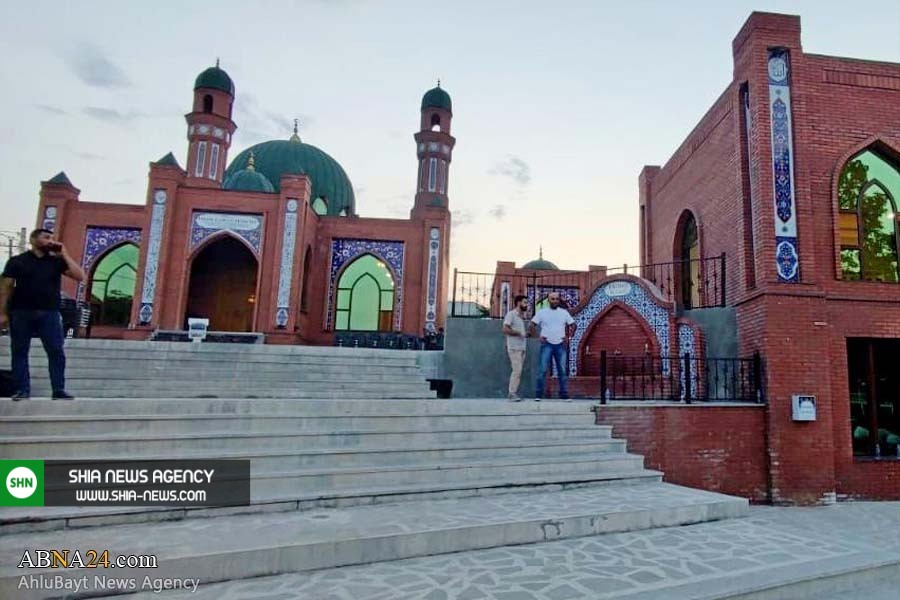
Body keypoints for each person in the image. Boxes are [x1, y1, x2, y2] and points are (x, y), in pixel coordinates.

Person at [0, 229, 85, 400]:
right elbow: (5, 288)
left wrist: (65, 255)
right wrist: (2, 313)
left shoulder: (55, 261)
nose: (50, 241)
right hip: (21, 312)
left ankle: (58, 389)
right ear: (33, 240)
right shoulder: (18, 261)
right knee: (20, 352)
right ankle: (22, 390)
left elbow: (80, 276)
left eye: (52, 238)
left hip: (49, 313)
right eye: (46, 237)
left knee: (56, 351)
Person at [530, 292, 575, 401]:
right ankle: (538, 395)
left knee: (562, 371)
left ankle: (564, 394)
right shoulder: (542, 313)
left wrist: (568, 337)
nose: (555, 301)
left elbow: (573, 325)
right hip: (546, 344)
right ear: (548, 300)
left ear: (559, 300)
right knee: (542, 370)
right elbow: (531, 325)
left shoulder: (564, 313)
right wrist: (538, 336)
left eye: (556, 299)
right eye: (552, 299)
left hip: (560, 344)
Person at [502, 295, 529, 401]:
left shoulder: (521, 316)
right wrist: (519, 333)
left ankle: (513, 393)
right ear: (518, 303)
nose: (527, 305)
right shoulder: (511, 314)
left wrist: (525, 334)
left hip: (521, 348)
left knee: (518, 371)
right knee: (517, 370)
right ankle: (512, 393)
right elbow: (505, 329)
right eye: (525, 302)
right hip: (514, 348)